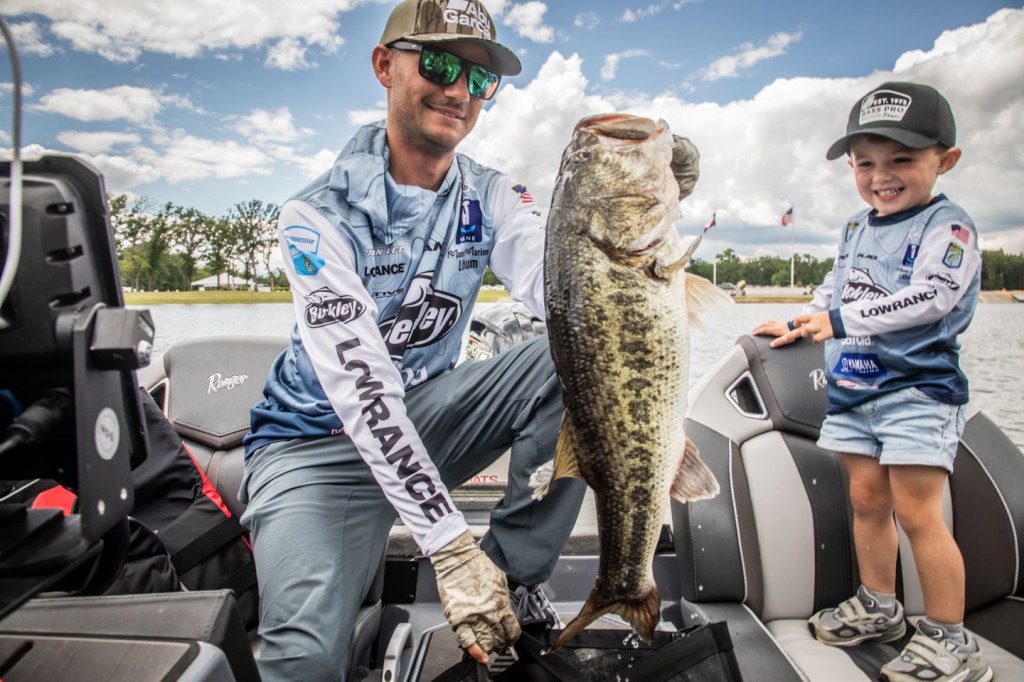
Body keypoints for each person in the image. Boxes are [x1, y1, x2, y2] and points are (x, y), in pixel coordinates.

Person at [238, 1, 588, 680]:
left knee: (573, 352)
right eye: (437, 64)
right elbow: (364, 389)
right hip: (313, 451)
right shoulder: (315, 215)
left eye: (479, 78)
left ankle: (508, 582)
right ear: (384, 65)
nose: (459, 90)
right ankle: (453, 569)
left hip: (427, 421)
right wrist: (449, 547)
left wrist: (639, 219)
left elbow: (564, 292)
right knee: (304, 663)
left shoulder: (493, 196)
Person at [754, 82, 990, 682]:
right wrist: (798, 321)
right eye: (865, 164)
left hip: (917, 394)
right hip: (855, 393)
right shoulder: (857, 228)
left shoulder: (950, 228)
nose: (881, 177)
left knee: (918, 514)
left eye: (901, 160)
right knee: (865, 501)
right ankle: (880, 607)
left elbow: (931, 298)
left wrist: (837, 322)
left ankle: (951, 638)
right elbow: (834, 290)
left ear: (945, 160)